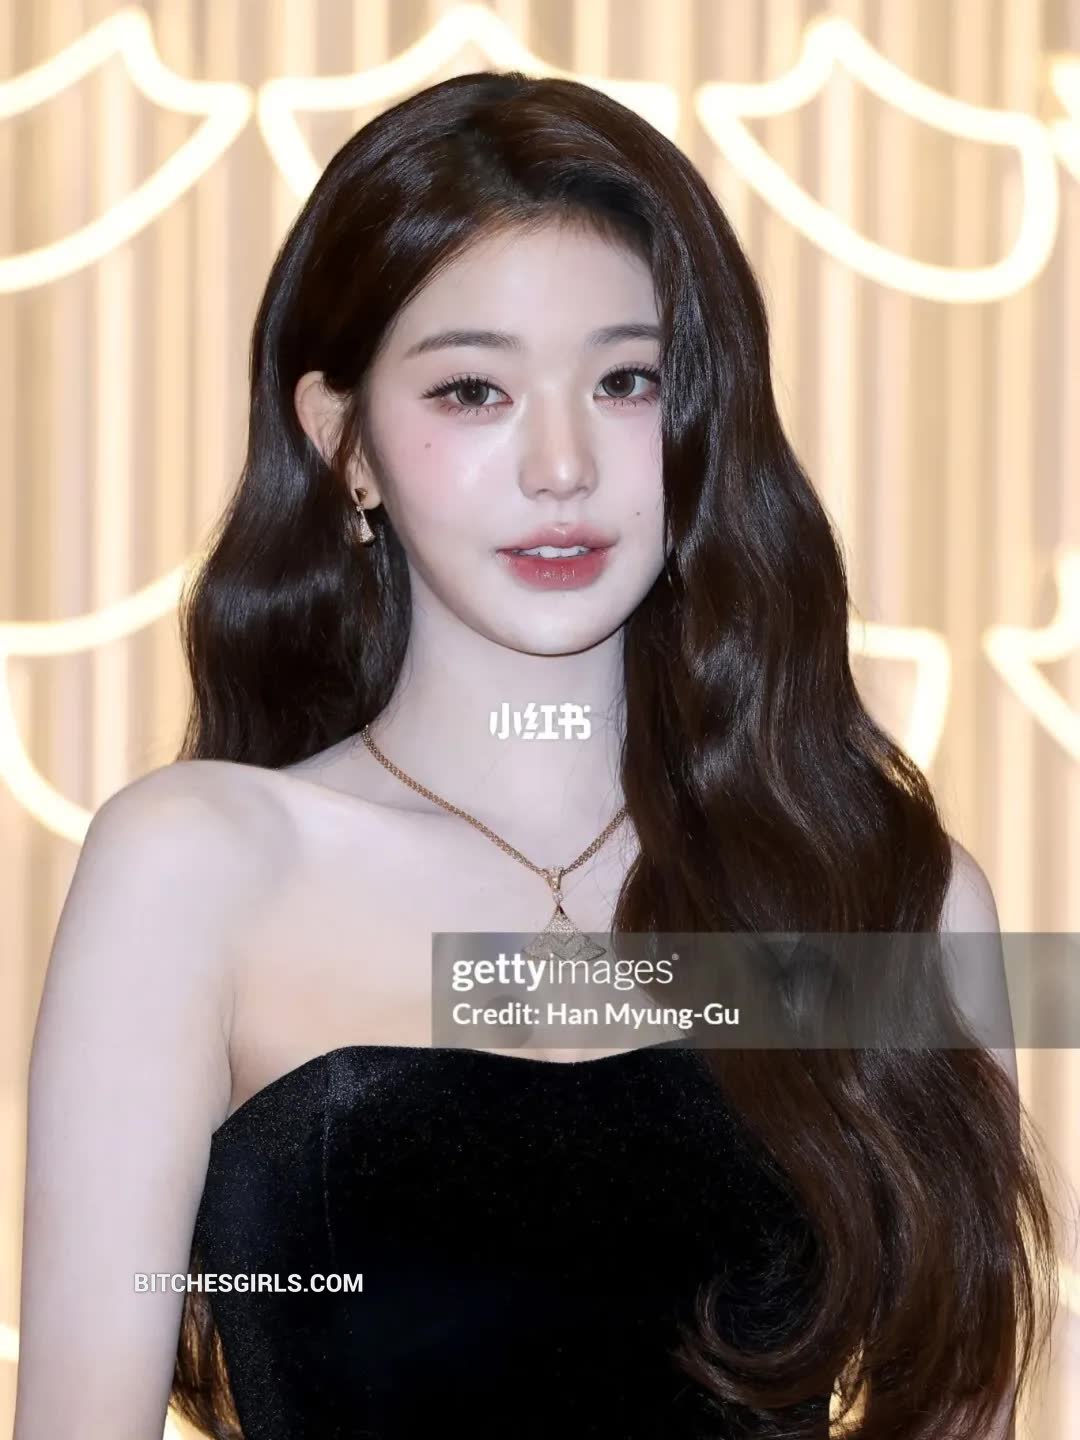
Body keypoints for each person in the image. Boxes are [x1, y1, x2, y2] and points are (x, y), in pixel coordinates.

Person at [14, 70, 1057, 1440]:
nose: (561, 465)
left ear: (700, 415)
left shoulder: (889, 896)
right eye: (473, 390)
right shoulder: (197, 869)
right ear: (344, 443)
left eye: (625, 381)